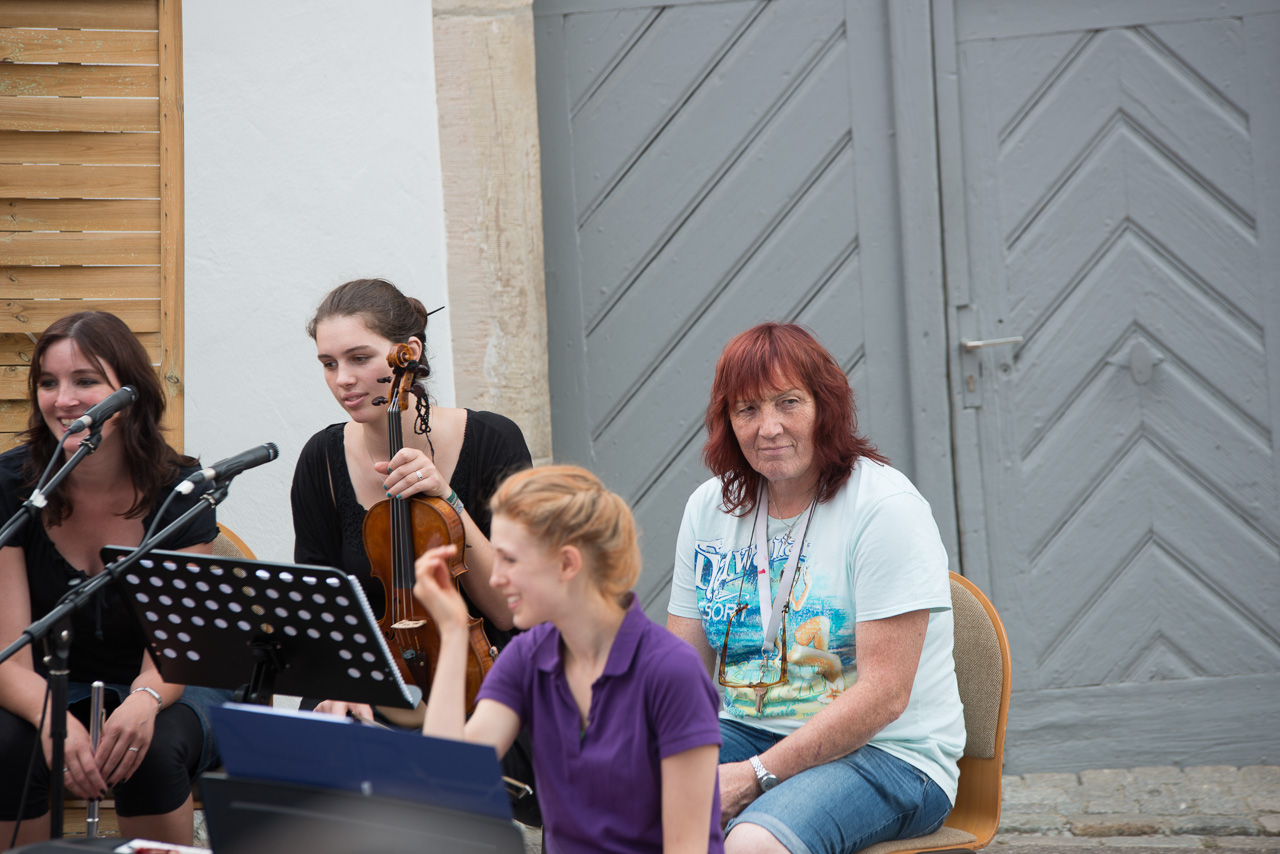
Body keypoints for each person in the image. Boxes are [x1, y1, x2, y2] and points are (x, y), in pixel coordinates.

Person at [667, 322, 965, 854]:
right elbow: (684, 669)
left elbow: (884, 698)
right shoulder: (709, 507)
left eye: (788, 403)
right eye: (747, 410)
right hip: (746, 729)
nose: (769, 427)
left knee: (753, 843)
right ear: (727, 422)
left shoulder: (883, 509)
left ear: (825, 407)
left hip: (889, 754)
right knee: (617, 797)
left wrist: (752, 776)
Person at [289, 277, 539, 822]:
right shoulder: (321, 462)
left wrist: (445, 499)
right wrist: (340, 684)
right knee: (314, 756)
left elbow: (510, 608)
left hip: (487, 678)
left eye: (359, 357)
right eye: (328, 364)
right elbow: (321, 608)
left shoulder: (494, 440)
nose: (344, 380)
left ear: (409, 355)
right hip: (366, 676)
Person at [414, 465, 723, 854]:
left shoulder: (671, 672)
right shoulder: (529, 658)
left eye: (510, 560)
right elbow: (449, 776)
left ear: (567, 564)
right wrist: (455, 630)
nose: (494, 578)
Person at [0, 311, 222, 850]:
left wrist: (143, 700)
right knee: (9, 746)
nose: (64, 400)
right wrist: (52, 718)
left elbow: (177, 650)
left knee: (150, 752)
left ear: (130, 393)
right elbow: (9, 654)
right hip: (47, 682)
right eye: (48, 383)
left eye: (85, 381)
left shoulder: (182, 491)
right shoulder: (11, 485)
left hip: (171, 681)